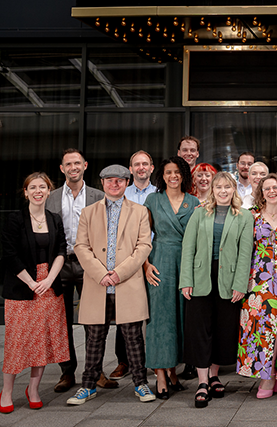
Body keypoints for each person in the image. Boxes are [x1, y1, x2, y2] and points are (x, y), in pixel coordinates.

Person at [67, 165, 155, 405]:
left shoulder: (139, 211)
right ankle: (87, 385)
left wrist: (118, 273)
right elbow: (81, 246)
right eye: (109, 180)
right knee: (95, 337)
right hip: (98, 284)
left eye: (119, 180)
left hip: (127, 283)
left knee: (133, 337)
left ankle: (141, 384)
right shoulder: (88, 212)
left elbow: (144, 246)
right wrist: (101, 274)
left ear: (127, 183)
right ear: (102, 183)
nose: (114, 184)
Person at [180, 171, 254, 408]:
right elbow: (187, 248)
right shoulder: (199, 213)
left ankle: (214, 375)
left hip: (229, 280)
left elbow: (246, 254)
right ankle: (202, 383)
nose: (223, 191)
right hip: (201, 277)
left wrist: (240, 284)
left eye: (227, 187)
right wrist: (186, 280)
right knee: (200, 330)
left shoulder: (244, 216)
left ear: (234, 190)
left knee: (223, 330)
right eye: (218, 187)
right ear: (212, 190)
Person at [0, 172, 69, 413]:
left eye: (43, 187)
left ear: (49, 191)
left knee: (42, 343)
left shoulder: (54, 218)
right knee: (17, 342)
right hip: (22, 288)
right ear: (26, 192)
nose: (38, 191)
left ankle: (34, 389)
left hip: (50, 288)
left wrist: (49, 279)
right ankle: (7, 392)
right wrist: (31, 282)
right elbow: (9, 255)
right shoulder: (15, 219)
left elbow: (62, 250)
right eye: (33, 187)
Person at [45, 148, 106, 394]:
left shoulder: (98, 196)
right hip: (60, 263)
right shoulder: (50, 198)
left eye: (77, 163)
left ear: (85, 166)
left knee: (93, 321)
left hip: (88, 264)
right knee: (62, 321)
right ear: (62, 169)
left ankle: (96, 371)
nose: (73, 167)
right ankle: (67, 372)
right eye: (68, 164)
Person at [143, 157, 199, 398]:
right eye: (168, 172)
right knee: (160, 320)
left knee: (181, 319)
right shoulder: (152, 200)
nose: (173, 176)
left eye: (177, 172)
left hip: (186, 262)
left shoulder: (194, 201)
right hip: (160, 261)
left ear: (184, 174)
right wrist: (145, 265)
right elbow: (143, 236)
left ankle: (173, 370)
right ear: (162, 176)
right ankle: (161, 375)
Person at [238, 173, 277, 398]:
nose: (272, 191)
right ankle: (266, 373)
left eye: (276, 187)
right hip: (257, 279)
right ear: (261, 193)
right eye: (267, 188)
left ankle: (270, 375)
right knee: (258, 328)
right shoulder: (250, 216)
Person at [113, 149, 157, 380]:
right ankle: (124, 361)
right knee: (125, 312)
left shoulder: (159, 194)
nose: (141, 168)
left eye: (145, 164)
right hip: (127, 260)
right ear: (130, 170)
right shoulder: (121, 194)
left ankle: (155, 358)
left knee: (154, 311)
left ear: (151, 168)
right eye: (137, 164)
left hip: (154, 259)